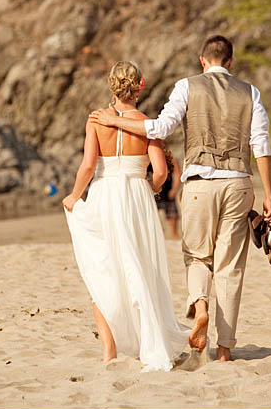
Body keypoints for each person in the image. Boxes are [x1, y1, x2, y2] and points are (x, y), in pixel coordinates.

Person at [90, 35, 271, 362]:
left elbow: (161, 126)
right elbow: (260, 145)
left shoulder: (187, 86)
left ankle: (200, 307)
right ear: (230, 62)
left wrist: (114, 120)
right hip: (238, 183)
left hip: (200, 182)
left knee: (197, 255)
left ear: (202, 61)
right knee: (230, 267)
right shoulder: (251, 92)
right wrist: (269, 195)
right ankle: (225, 350)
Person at [63, 61, 190, 371]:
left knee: (103, 268)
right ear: (140, 86)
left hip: (105, 195)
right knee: (140, 267)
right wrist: (151, 187)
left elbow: (89, 167)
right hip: (137, 197)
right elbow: (160, 171)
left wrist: (74, 196)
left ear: (112, 86)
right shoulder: (148, 124)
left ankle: (109, 351)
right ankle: (149, 342)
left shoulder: (96, 121)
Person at [148, 150, 182, 240]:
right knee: (152, 214)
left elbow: (178, 174)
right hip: (152, 188)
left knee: (172, 214)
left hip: (167, 189)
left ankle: (174, 235)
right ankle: (157, 235)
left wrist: (174, 189)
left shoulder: (171, 158)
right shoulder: (149, 157)